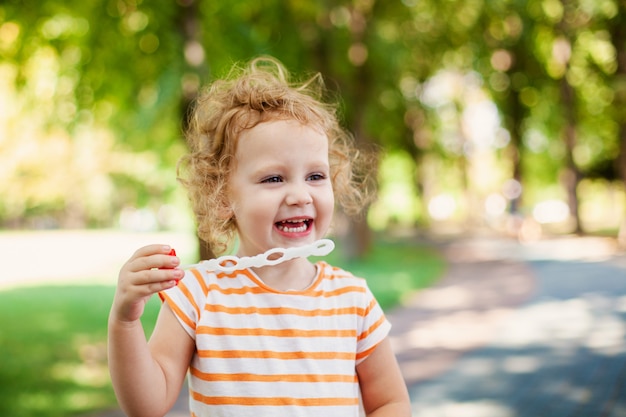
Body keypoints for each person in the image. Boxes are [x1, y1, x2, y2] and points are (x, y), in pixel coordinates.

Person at [108, 57, 411, 417]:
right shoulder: (198, 294)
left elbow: (390, 402)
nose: (300, 195)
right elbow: (147, 405)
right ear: (223, 197)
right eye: (274, 179)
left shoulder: (353, 299)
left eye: (315, 176)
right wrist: (125, 319)